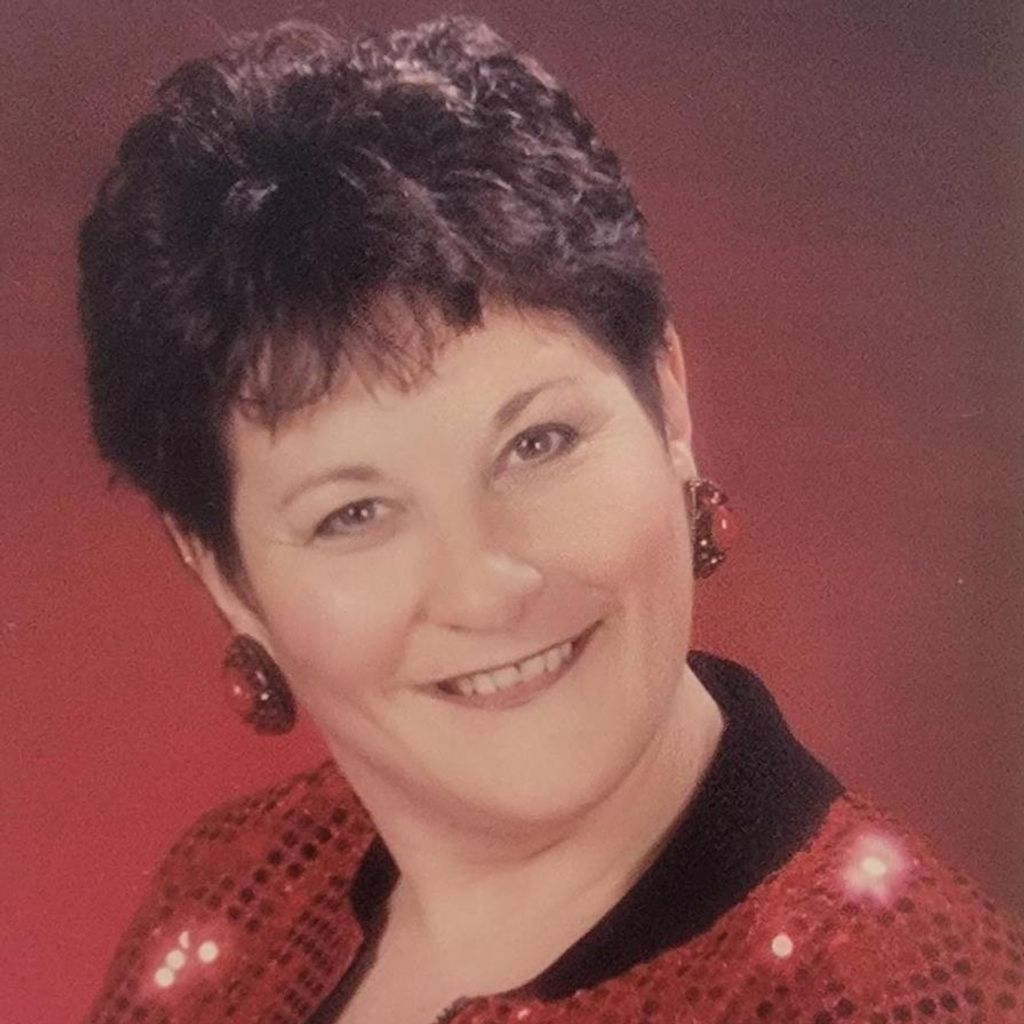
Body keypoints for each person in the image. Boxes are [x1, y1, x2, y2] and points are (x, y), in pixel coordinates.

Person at [78, 15, 1020, 1024]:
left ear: (667, 397)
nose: (486, 587)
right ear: (223, 574)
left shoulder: (906, 996)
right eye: (353, 513)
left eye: (537, 444)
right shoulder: (235, 893)